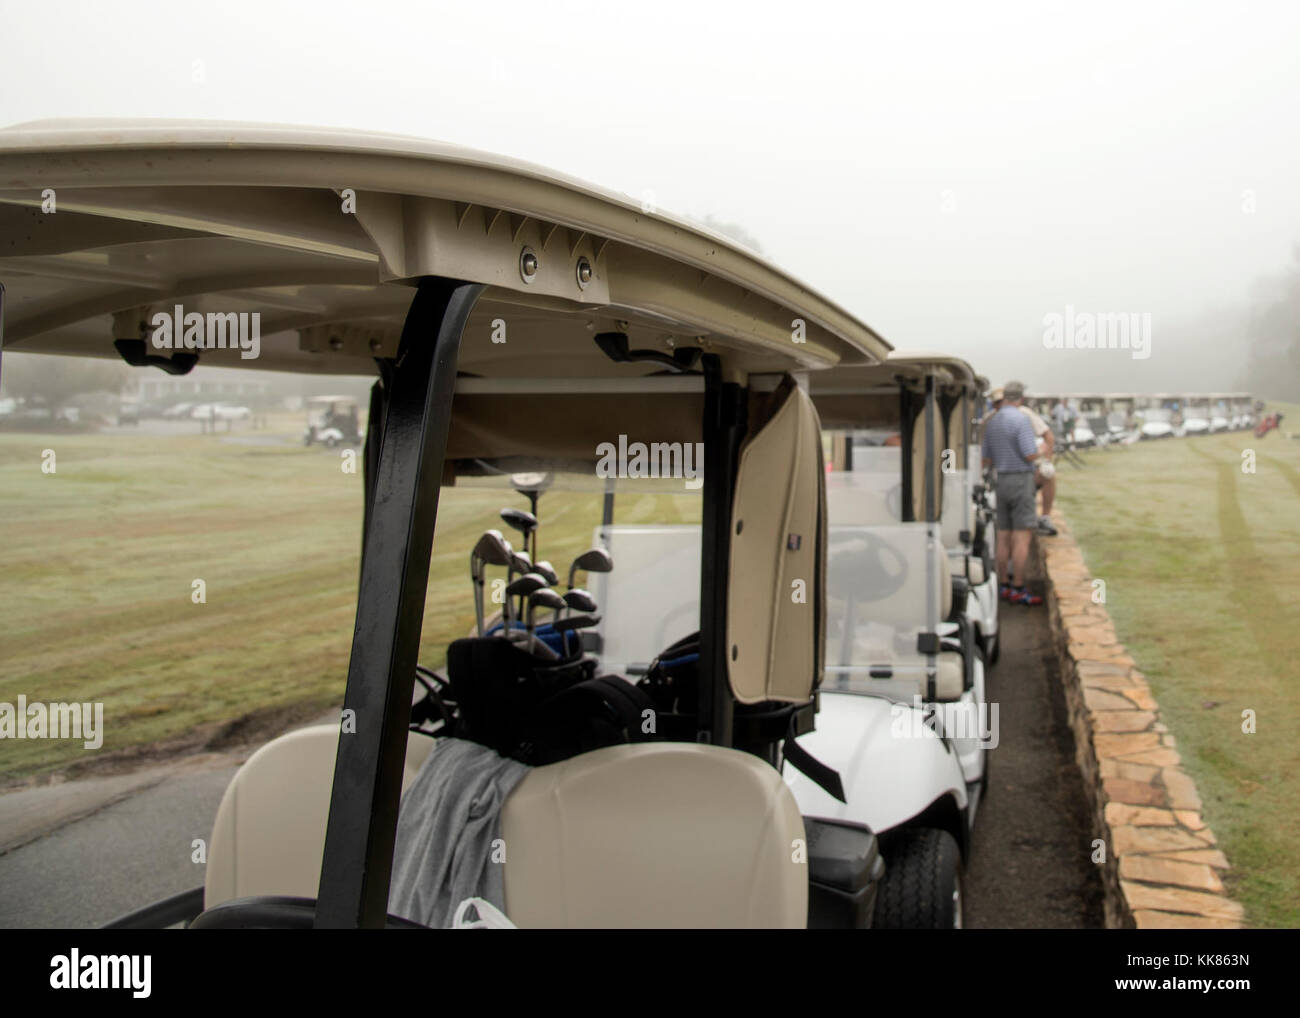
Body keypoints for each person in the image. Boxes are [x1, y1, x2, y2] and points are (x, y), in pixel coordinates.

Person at [981, 380, 1043, 605]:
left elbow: (985, 458)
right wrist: (1043, 451)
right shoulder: (1021, 419)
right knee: (1022, 536)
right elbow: (1029, 454)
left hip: (1001, 480)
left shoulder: (993, 421)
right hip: (1021, 479)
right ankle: (1018, 586)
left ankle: (1003, 585)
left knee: (1003, 535)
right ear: (1021, 399)